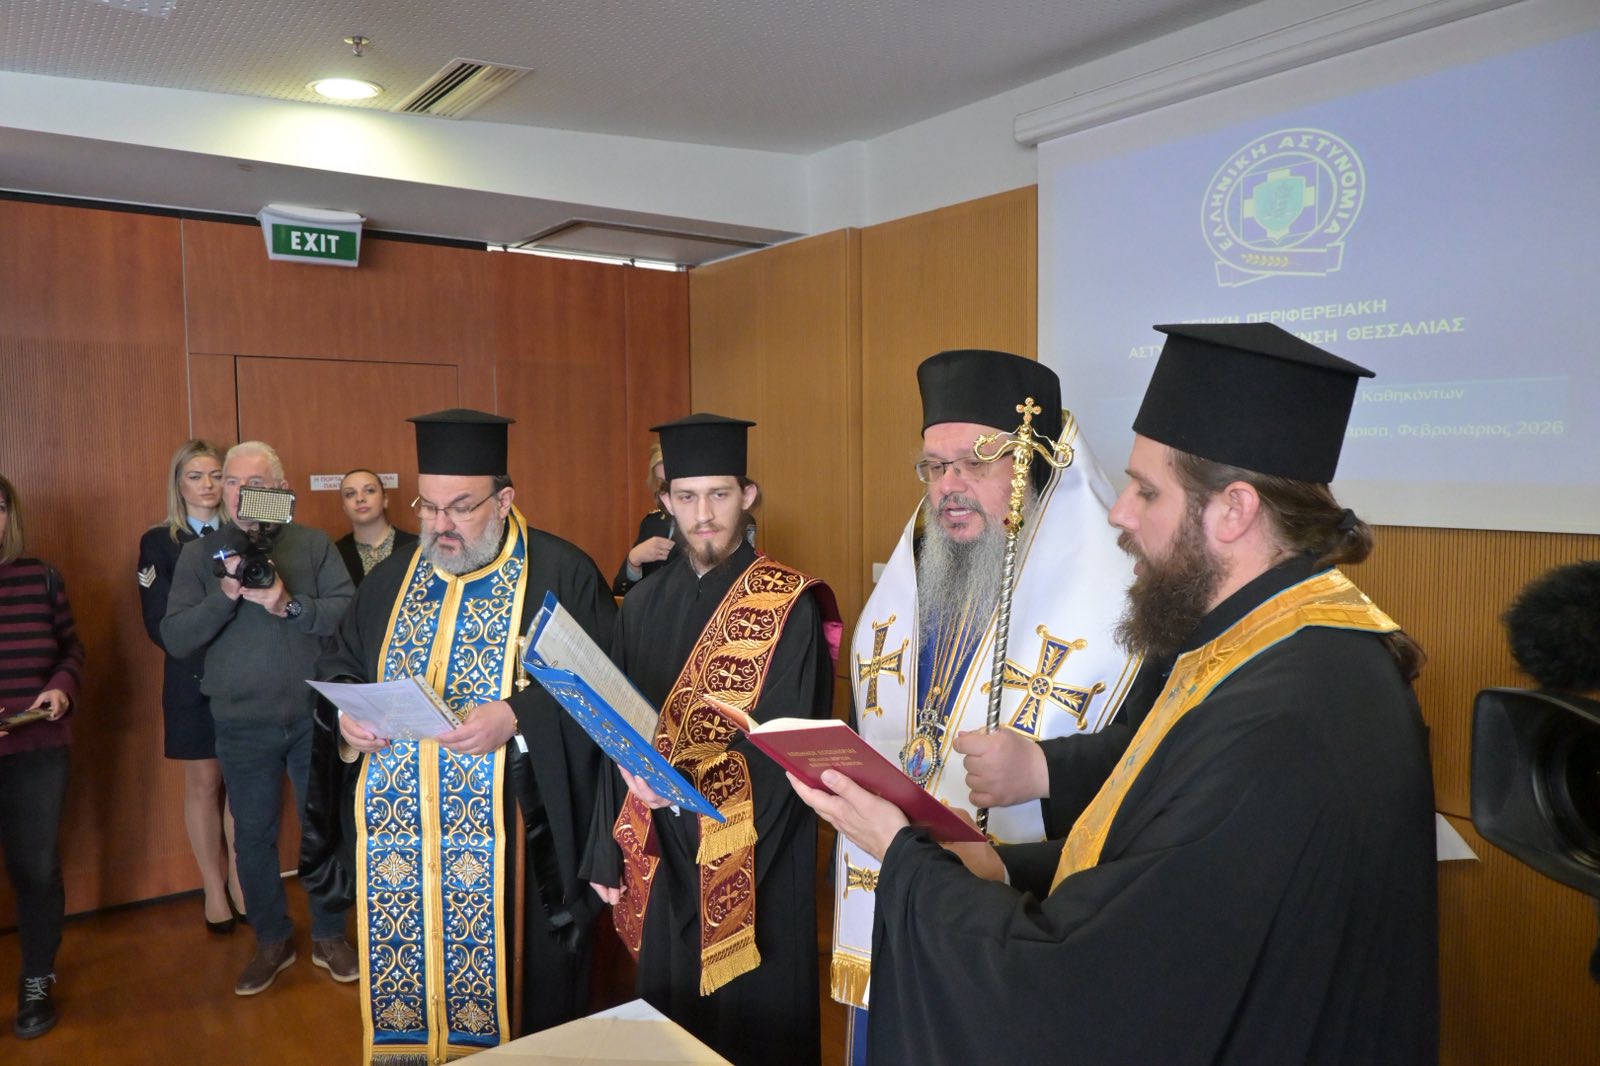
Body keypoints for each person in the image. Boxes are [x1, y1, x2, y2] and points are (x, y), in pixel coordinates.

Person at [793, 322, 1440, 1065]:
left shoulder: (1290, 710)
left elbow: (1095, 973)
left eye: (1147, 490)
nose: (1119, 511)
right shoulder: (1258, 650)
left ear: (1235, 510)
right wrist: (998, 867)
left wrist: (906, 860)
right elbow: (1150, 860)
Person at [831, 349, 1138, 1058]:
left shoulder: (1125, 600)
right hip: (904, 888)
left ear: (1035, 467)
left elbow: (1153, 765)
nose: (949, 487)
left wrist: (1045, 768)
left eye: (976, 462)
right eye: (935, 466)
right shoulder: (921, 568)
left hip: (1021, 927)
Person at [318, 409, 616, 1064]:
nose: (440, 525)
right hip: (403, 844)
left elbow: (608, 695)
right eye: (428, 506)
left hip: (520, 845)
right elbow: (342, 661)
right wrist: (346, 721)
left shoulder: (562, 572)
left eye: (460, 507)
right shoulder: (392, 579)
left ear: (504, 501)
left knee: (530, 1016)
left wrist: (519, 715)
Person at [584, 413, 838, 1066]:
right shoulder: (640, 605)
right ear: (665, 501)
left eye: (719, 494)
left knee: (754, 1030)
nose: (703, 515)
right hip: (659, 848)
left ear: (746, 496)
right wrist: (605, 848)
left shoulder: (788, 604)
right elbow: (615, 730)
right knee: (669, 1025)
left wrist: (683, 791)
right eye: (687, 496)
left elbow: (787, 748)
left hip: (753, 852)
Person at [161, 441, 357, 996]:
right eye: (232, 483)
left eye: (256, 484)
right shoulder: (201, 556)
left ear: (281, 489)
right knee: (252, 834)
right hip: (241, 721)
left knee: (325, 828)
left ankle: (329, 934)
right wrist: (225, 597)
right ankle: (271, 938)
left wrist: (287, 604)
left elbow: (348, 613)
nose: (241, 494)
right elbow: (176, 637)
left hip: (315, 716)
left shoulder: (313, 545)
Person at [137, 438, 244, 935]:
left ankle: (243, 882)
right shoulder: (160, 541)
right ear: (178, 485)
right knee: (203, 783)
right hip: (191, 678)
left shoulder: (242, 535)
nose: (207, 485)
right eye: (195, 476)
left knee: (243, 784)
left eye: (217, 475)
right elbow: (160, 623)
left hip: (243, 679)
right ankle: (212, 888)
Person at [0, 474, 85, 1040]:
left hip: (35, 748)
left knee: (36, 868)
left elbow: (71, 646)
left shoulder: (41, 577)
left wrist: (61, 687)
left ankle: (36, 979)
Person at [332, 468, 418, 587]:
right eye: (350, 494)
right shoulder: (335, 554)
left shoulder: (416, 546)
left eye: (369, 490)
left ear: (385, 500)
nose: (360, 499)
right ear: (344, 507)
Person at [611, 443, 676, 596]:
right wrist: (633, 561)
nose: (666, 493)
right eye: (662, 484)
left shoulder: (707, 528)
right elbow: (622, 596)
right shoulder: (653, 523)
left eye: (673, 483)